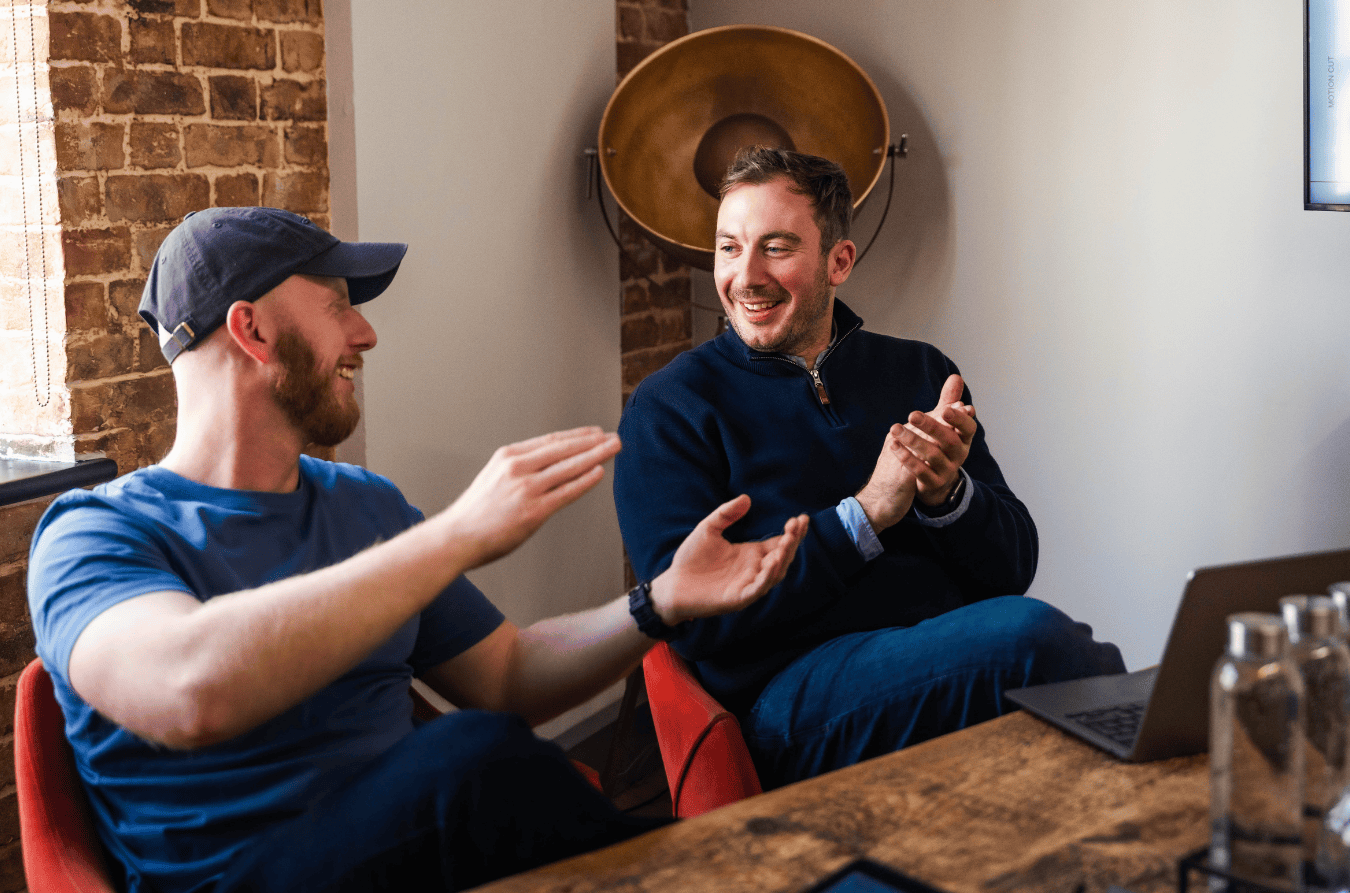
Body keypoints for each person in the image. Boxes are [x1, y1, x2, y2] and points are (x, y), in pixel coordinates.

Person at [27, 207, 808, 893]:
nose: (365, 334)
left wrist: (659, 600)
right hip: (241, 874)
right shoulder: (94, 533)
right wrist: (456, 534)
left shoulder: (362, 505)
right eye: (337, 306)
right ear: (252, 330)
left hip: (419, 852)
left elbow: (507, 676)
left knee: (484, 764)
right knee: (468, 761)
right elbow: (188, 690)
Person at [614, 146, 1124, 789]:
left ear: (839, 261)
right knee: (1038, 645)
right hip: (786, 699)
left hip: (942, 647)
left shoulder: (920, 372)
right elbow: (689, 621)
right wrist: (866, 515)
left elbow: (1013, 567)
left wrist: (947, 497)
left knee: (1067, 675)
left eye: (775, 247)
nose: (745, 276)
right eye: (728, 248)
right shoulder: (670, 408)